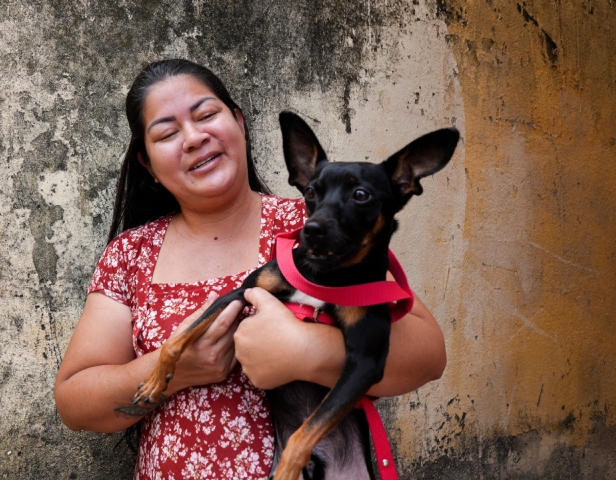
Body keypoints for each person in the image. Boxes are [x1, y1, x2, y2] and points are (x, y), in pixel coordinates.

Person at [54, 59, 446, 479]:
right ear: (147, 164)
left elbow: (428, 355)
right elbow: (74, 402)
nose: (193, 138)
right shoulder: (131, 254)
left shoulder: (317, 229)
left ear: (239, 123)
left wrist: (304, 350)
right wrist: (175, 371)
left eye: (206, 115)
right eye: (167, 133)